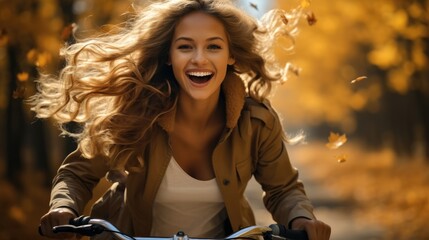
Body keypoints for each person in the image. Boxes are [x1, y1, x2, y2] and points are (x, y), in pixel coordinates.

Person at [33, 0, 331, 239]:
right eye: (185, 46)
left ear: (231, 56)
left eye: (213, 46)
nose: (199, 59)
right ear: (168, 56)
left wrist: (301, 217)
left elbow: (282, 189)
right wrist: (63, 206)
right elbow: (77, 174)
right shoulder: (134, 113)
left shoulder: (256, 122)